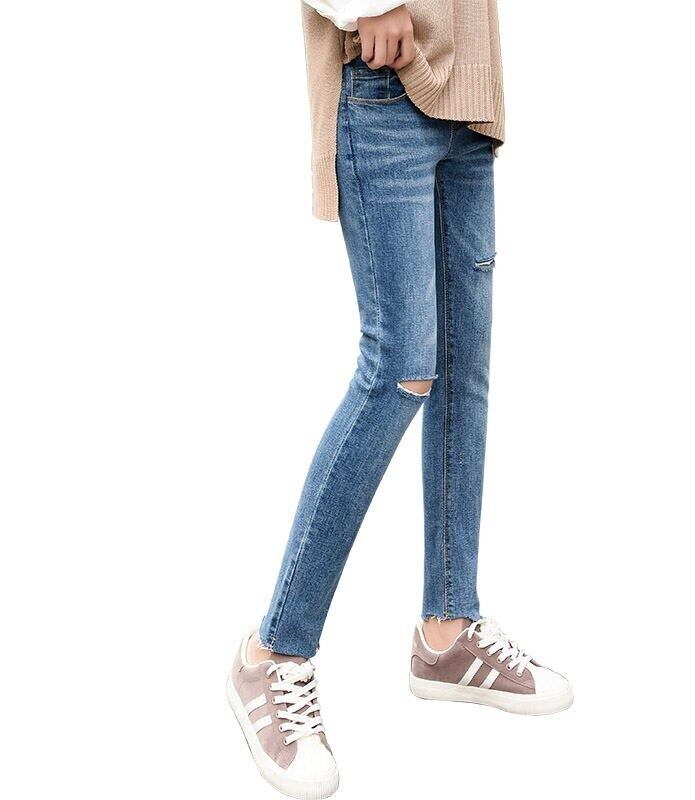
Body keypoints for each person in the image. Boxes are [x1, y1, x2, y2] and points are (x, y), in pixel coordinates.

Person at [227, 3, 573, 797]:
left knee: (460, 367)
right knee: (400, 371)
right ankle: (272, 652)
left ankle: (448, 630)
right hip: (385, 79)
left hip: (470, 92)